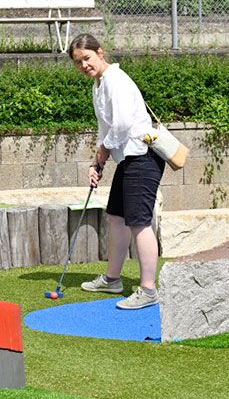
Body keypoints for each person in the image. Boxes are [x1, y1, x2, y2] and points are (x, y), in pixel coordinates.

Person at [69, 34, 165, 309]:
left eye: (87, 58)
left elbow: (121, 125)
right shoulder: (98, 85)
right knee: (117, 217)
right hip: (127, 159)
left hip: (142, 156)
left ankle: (148, 289)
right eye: (78, 62)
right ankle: (113, 279)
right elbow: (105, 129)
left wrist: (103, 153)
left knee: (139, 222)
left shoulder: (116, 81)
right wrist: (96, 162)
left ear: (100, 53)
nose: (84, 65)